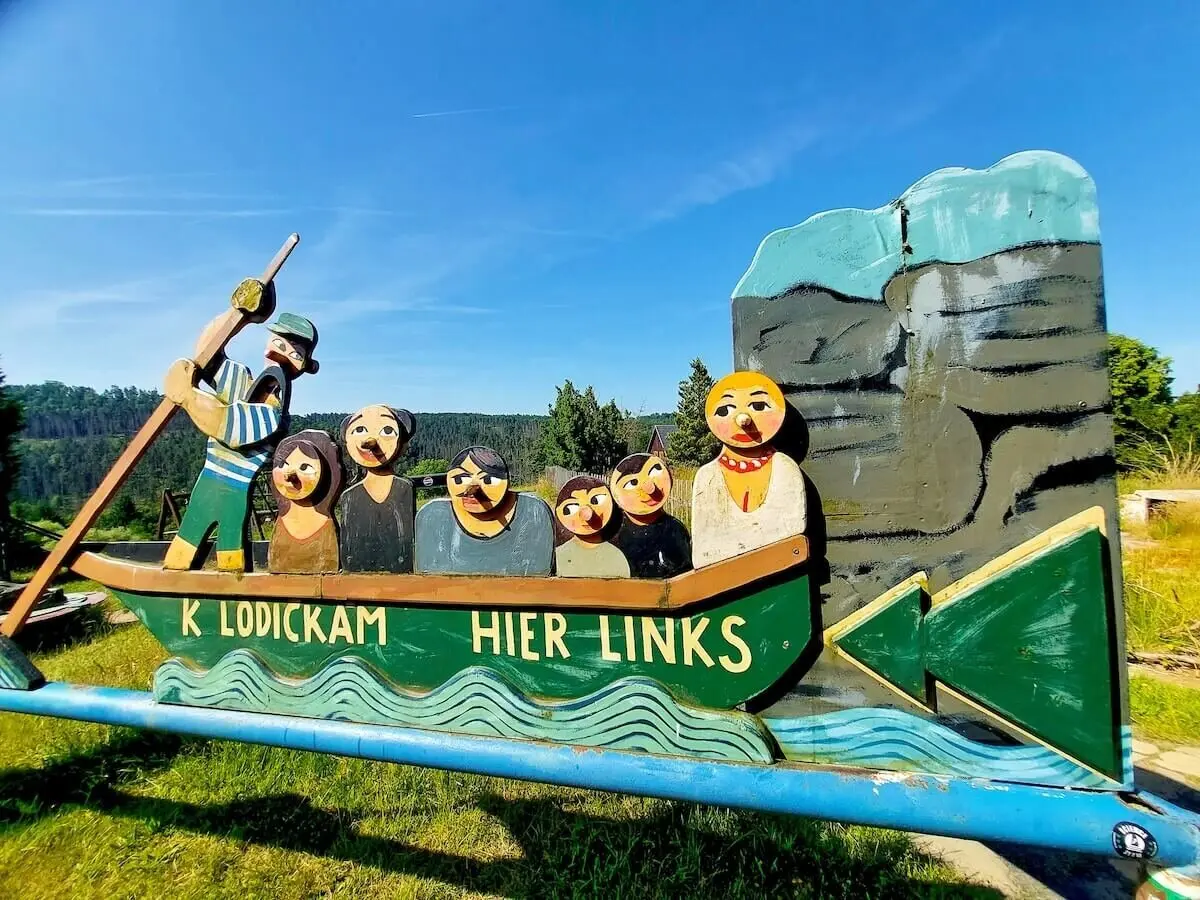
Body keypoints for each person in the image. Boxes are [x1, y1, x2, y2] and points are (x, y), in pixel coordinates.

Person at [163, 307, 319, 571]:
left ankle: (231, 587)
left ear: (303, 365)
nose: (283, 353)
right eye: (280, 342)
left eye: (295, 352)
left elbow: (228, 426)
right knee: (186, 540)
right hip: (207, 481)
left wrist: (188, 397)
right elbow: (207, 353)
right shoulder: (239, 381)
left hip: (234, 492)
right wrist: (239, 314)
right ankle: (173, 579)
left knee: (230, 552)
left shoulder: (273, 416)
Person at [690, 371, 806, 568]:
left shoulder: (785, 469)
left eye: (759, 406)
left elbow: (792, 532)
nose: (743, 419)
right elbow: (705, 550)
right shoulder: (707, 477)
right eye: (725, 410)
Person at [415, 446, 553, 575]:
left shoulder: (533, 513)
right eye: (459, 479)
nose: (473, 489)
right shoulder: (433, 516)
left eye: (488, 480)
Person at [338, 405, 417, 573]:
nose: (369, 442)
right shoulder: (350, 496)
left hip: (401, 573)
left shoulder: (403, 489)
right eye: (359, 430)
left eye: (387, 430)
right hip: (357, 576)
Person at [267, 430, 342, 573]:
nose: (289, 476)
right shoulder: (282, 522)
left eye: (305, 467)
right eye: (283, 465)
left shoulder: (325, 526)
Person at [609, 453, 691, 578]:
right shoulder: (615, 533)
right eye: (632, 482)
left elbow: (684, 572)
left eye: (654, 472)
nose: (650, 488)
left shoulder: (675, 529)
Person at [553, 475, 629, 578]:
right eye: (571, 508)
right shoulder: (560, 555)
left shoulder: (615, 557)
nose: (587, 515)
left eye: (596, 500)